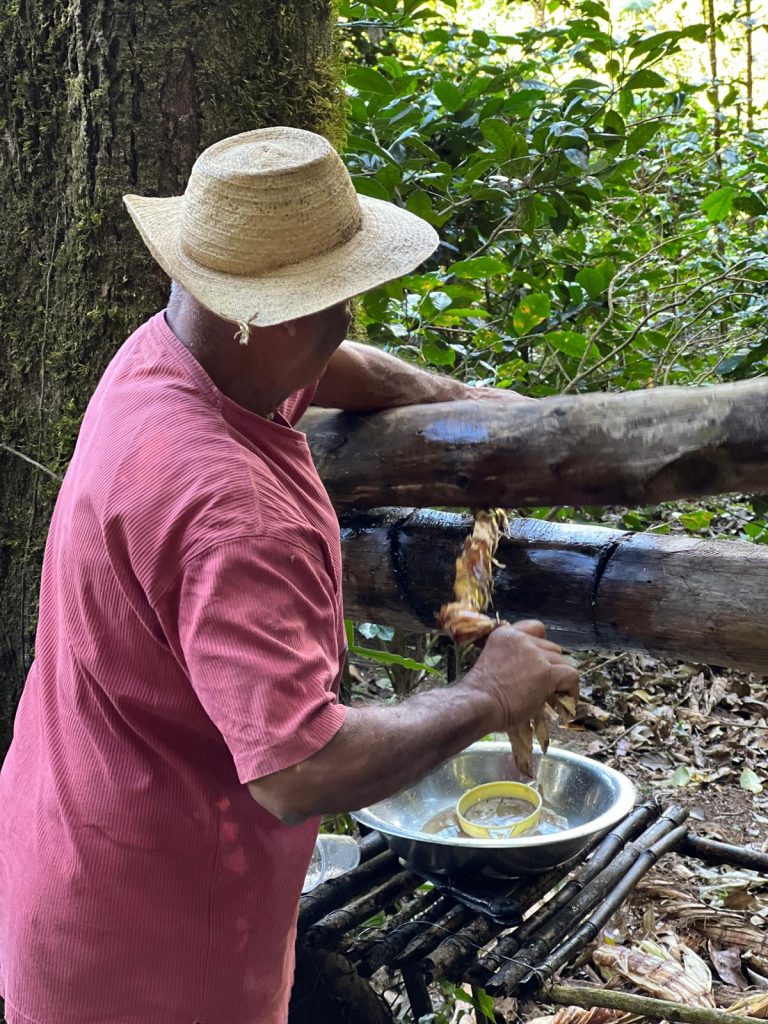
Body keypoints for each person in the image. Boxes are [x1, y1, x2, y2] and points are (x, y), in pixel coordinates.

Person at [0, 127, 578, 1024]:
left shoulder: (165, 360)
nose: (349, 316)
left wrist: (456, 402)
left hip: (70, 863)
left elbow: (322, 364)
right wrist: (489, 695)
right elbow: (299, 767)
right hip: (162, 964)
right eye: (336, 299)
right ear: (270, 317)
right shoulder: (235, 511)